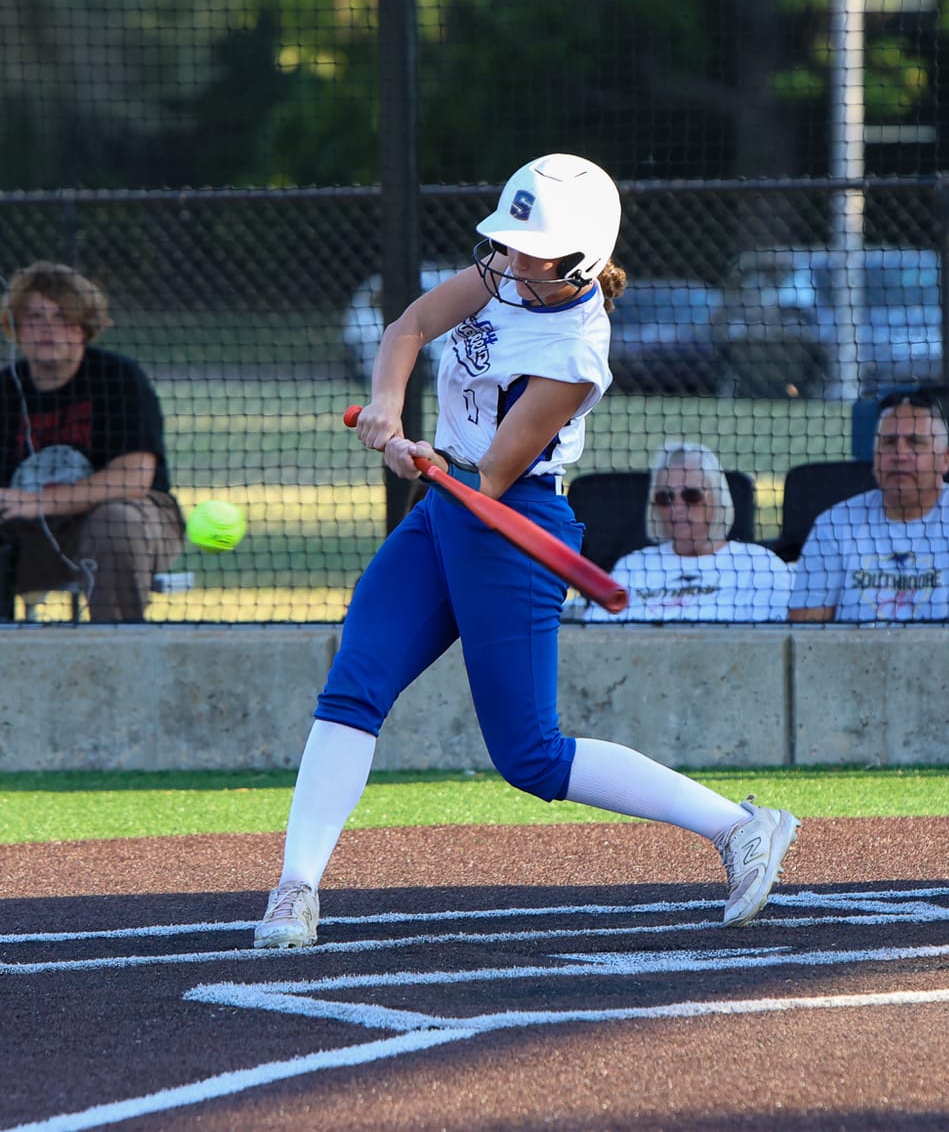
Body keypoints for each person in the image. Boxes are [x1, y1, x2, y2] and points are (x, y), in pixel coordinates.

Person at [255, 153, 799, 950]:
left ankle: (740, 826)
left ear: (578, 259)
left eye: (528, 249)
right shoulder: (499, 271)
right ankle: (294, 888)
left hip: (513, 516)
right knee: (356, 682)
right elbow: (408, 327)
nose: (509, 260)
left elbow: (497, 467)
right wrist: (384, 406)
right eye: (507, 242)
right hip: (445, 506)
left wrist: (421, 458)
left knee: (531, 756)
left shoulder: (578, 347)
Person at [0, 262, 183, 622]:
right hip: (26, 538)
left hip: (122, 527)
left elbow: (132, 479)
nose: (47, 329)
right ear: (17, 329)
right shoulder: (1, 390)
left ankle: (119, 647)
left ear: (84, 328)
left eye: (62, 317)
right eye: (35, 317)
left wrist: (36, 501)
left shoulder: (119, 379)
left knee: (113, 518)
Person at [787, 390, 949, 622]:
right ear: (875, 457)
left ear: (945, 460)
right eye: (889, 443)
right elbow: (803, 636)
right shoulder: (833, 526)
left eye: (915, 443)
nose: (900, 454)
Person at [584, 442, 792, 622]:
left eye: (691, 495)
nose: (677, 508)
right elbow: (597, 636)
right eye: (666, 498)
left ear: (717, 499)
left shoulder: (760, 566)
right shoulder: (633, 567)